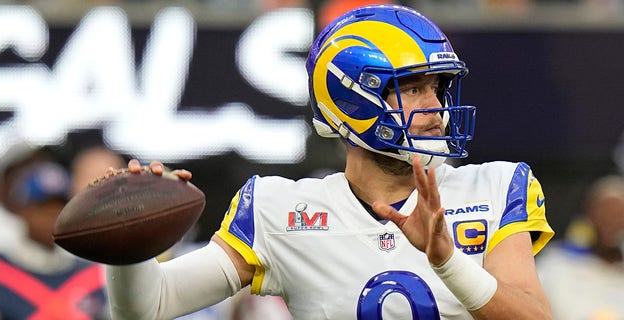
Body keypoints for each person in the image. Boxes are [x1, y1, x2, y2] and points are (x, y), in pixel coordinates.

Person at [106, 5, 554, 319]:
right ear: (352, 97)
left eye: (437, 88)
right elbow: (151, 305)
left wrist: (447, 262)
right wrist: (128, 245)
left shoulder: (495, 187)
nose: (435, 108)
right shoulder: (278, 210)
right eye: (414, 88)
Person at [0, 156, 108, 320]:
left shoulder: (94, 273)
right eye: (43, 208)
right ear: (23, 211)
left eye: (59, 208)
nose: (53, 216)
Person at [536, 174, 624, 320]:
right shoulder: (556, 264)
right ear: (589, 216)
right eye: (605, 214)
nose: (612, 223)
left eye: (620, 215)